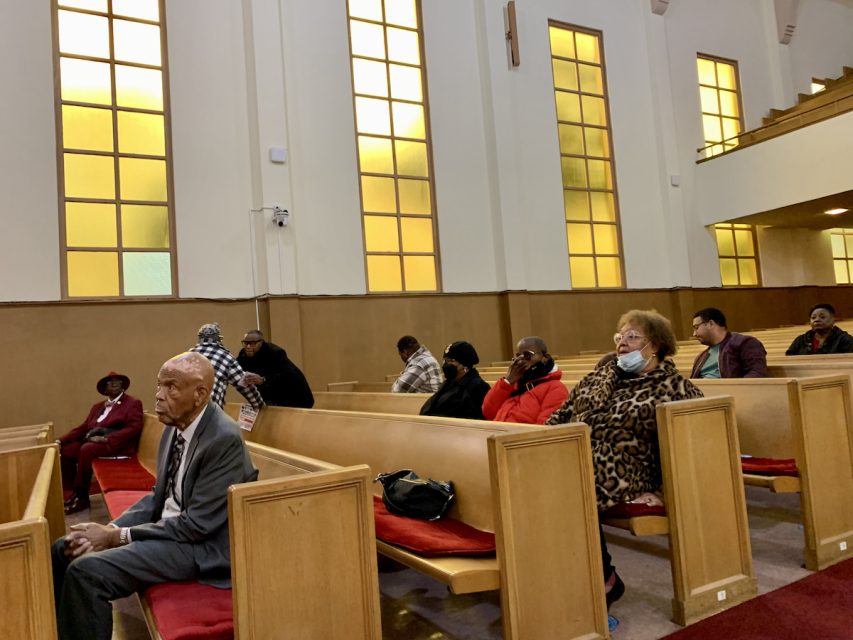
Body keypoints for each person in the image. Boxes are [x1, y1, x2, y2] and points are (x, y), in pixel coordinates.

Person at [51, 352, 258, 640]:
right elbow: (157, 497)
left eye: (171, 387)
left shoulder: (223, 439)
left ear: (199, 395)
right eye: (159, 385)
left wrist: (118, 536)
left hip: (200, 548)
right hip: (171, 531)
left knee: (87, 573)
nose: (158, 395)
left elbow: (197, 526)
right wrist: (110, 528)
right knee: (64, 547)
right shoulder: (175, 427)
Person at [546, 309, 704, 610]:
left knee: (564, 488)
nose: (622, 344)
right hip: (578, 457)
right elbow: (558, 417)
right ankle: (560, 577)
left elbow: (696, 443)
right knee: (542, 479)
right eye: (620, 337)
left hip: (628, 471)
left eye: (633, 337)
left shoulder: (674, 387)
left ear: (655, 345)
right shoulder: (598, 378)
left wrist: (663, 491)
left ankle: (602, 578)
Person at [58, 372, 143, 515]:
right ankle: (71, 493)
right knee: (67, 450)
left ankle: (82, 496)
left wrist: (107, 439)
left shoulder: (132, 403)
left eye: (118, 381)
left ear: (123, 386)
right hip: (93, 441)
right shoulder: (97, 407)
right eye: (110, 382)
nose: (115, 384)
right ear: (105, 388)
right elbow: (83, 428)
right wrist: (61, 440)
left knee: (87, 449)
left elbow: (133, 427)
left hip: (117, 445)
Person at [481, 336, 568, 424]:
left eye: (527, 355)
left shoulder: (556, 388)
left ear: (545, 358)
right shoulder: (513, 384)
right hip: (499, 433)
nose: (521, 360)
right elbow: (488, 412)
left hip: (517, 436)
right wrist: (507, 381)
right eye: (518, 356)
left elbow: (544, 429)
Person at [190, 322, 263, 409]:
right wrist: (259, 405)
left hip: (184, 412)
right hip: (208, 412)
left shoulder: (187, 356)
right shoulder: (224, 357)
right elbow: (244, 384)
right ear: (218, 339)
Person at [237, 329, 314, 407]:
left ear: (261, 342)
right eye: (245, 343)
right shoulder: (243, 354)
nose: (248, 346)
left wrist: (263, 379)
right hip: (270, 395)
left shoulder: (275, 352)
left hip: (295, 394)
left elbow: (287, 376)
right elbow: (236, 369)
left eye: (252, 343)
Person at [419, 341, 491, 419]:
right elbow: (427, 408)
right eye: (445, 360)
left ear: (464, 365)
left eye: (451, 361)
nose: (446, 364)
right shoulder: (448, 383)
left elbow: (478, 419)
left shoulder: (477, 386)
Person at [690, 307, 768, 378]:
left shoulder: (744, 343)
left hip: (729, 392)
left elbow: (757, 373)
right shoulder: (701, 356)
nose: (694, 334)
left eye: (696, 328)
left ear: (711, 324)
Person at [785, 303, 853, 355]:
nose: (817, 320)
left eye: (822, 317)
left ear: (833, 320)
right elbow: (789, 359)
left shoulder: (844, 339)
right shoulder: (801, 340)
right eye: (813, 318)